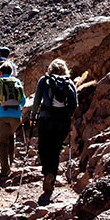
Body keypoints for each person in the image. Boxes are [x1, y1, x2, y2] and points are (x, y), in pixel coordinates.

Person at [32, 59, 79, 195]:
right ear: (64, 69)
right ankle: (51, 177)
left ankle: (47, 172)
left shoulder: (44, 80)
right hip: (62, 120)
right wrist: (68, 115)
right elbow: (74, 103)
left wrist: (33, 116)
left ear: (50, 69)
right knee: (56, 149)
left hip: (46, 117)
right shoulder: (68, 82)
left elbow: (37, 100)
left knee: (43, 147)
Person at [0, 62, 27, 177]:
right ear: (11, 72)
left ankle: (5, 169)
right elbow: (23, 101)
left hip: (0, 115)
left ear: (0, 72)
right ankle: (11, 162)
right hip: (15, 116)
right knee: (11, 136)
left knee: (2, 141)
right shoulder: (17, 82)